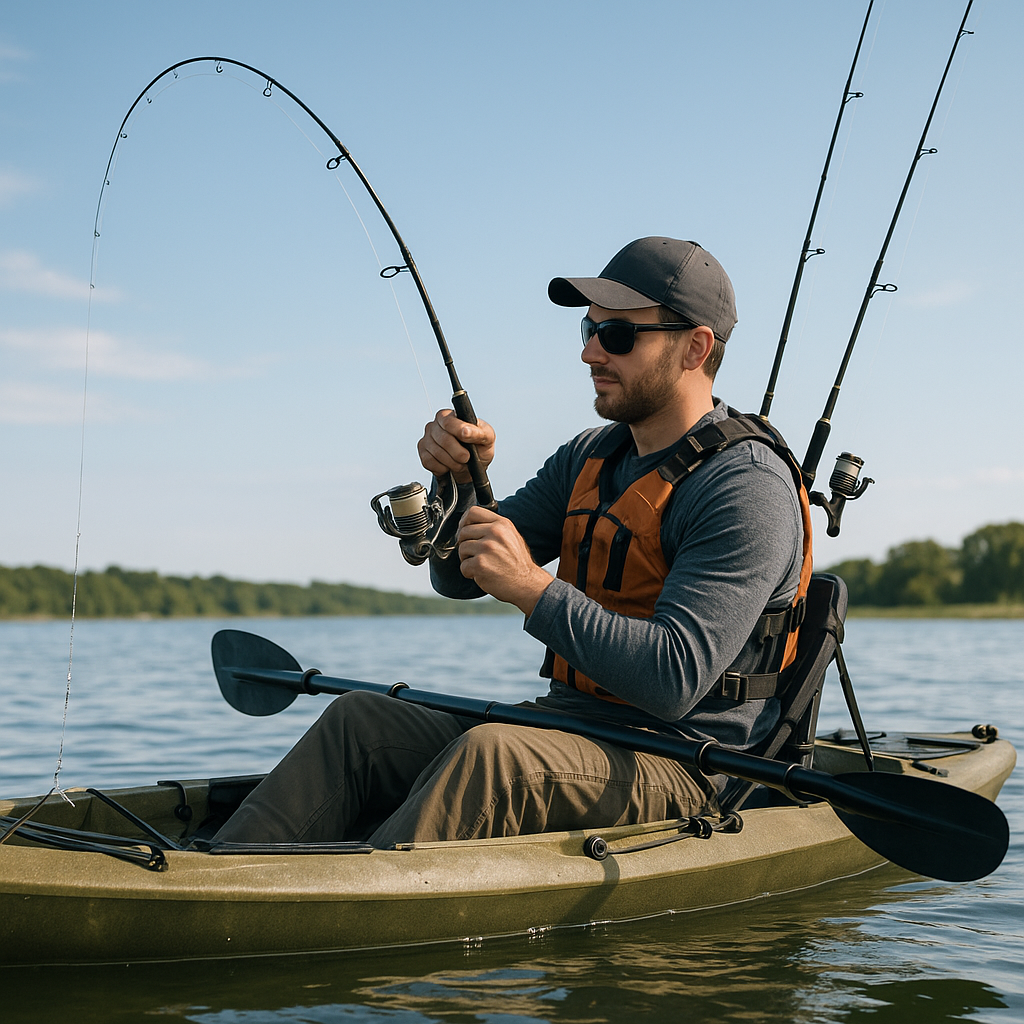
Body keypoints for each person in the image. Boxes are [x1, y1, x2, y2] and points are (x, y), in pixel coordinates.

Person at [213, 236, 810, 849]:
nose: (590, 353)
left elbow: (672, 679)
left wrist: (530, 587)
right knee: (359, 720)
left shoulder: (746, 487)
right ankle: (219, 873)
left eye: (619, 336)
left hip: (690, 766)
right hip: (567, 728)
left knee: (492, 756)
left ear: (696, 347)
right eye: (589, 328)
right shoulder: (590, 455)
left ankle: (325, 903)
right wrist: (460, 483)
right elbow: (457, 577)